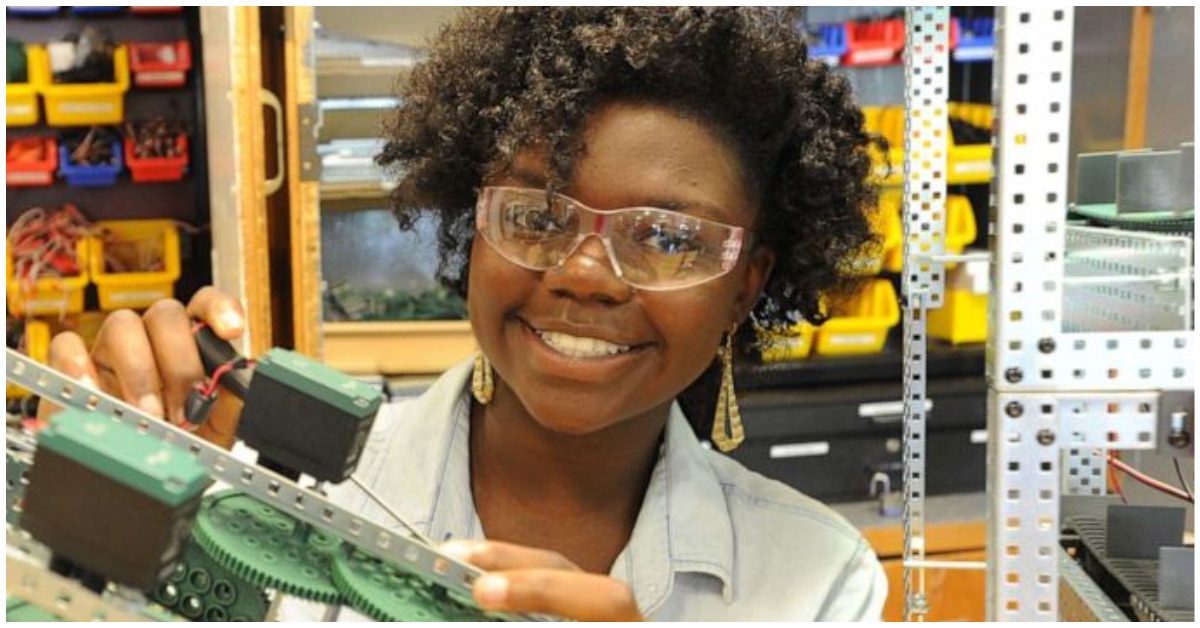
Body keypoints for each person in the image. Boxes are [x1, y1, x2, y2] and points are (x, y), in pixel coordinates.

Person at [45, 7, 887, 621]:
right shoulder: (259, 479)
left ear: (745, 284)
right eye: (536, 216)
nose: (587, 275)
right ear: (471, 227)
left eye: (668, 237)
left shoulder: (817, 582)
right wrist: (84, 518)